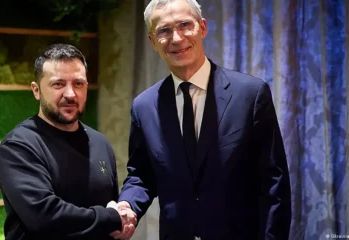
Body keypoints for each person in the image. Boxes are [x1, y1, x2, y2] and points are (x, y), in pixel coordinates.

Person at [114, 0, 292, 239]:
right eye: (164, 31)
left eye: (185, 25)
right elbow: (141, 175)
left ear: (203, 27)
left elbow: (275, 183)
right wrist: (127, 206)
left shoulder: (250, 94)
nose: (177, 38)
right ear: (152, 42)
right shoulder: (144, 107)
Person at [0, 43, 136, 240]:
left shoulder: (100, 143)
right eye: (58, 84)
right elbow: (44, 217)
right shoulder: (19, 146)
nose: (70, 94)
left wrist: (117, 220)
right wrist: (112, 218)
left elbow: (110, 211)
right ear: (36, 91)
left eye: (78, 83)